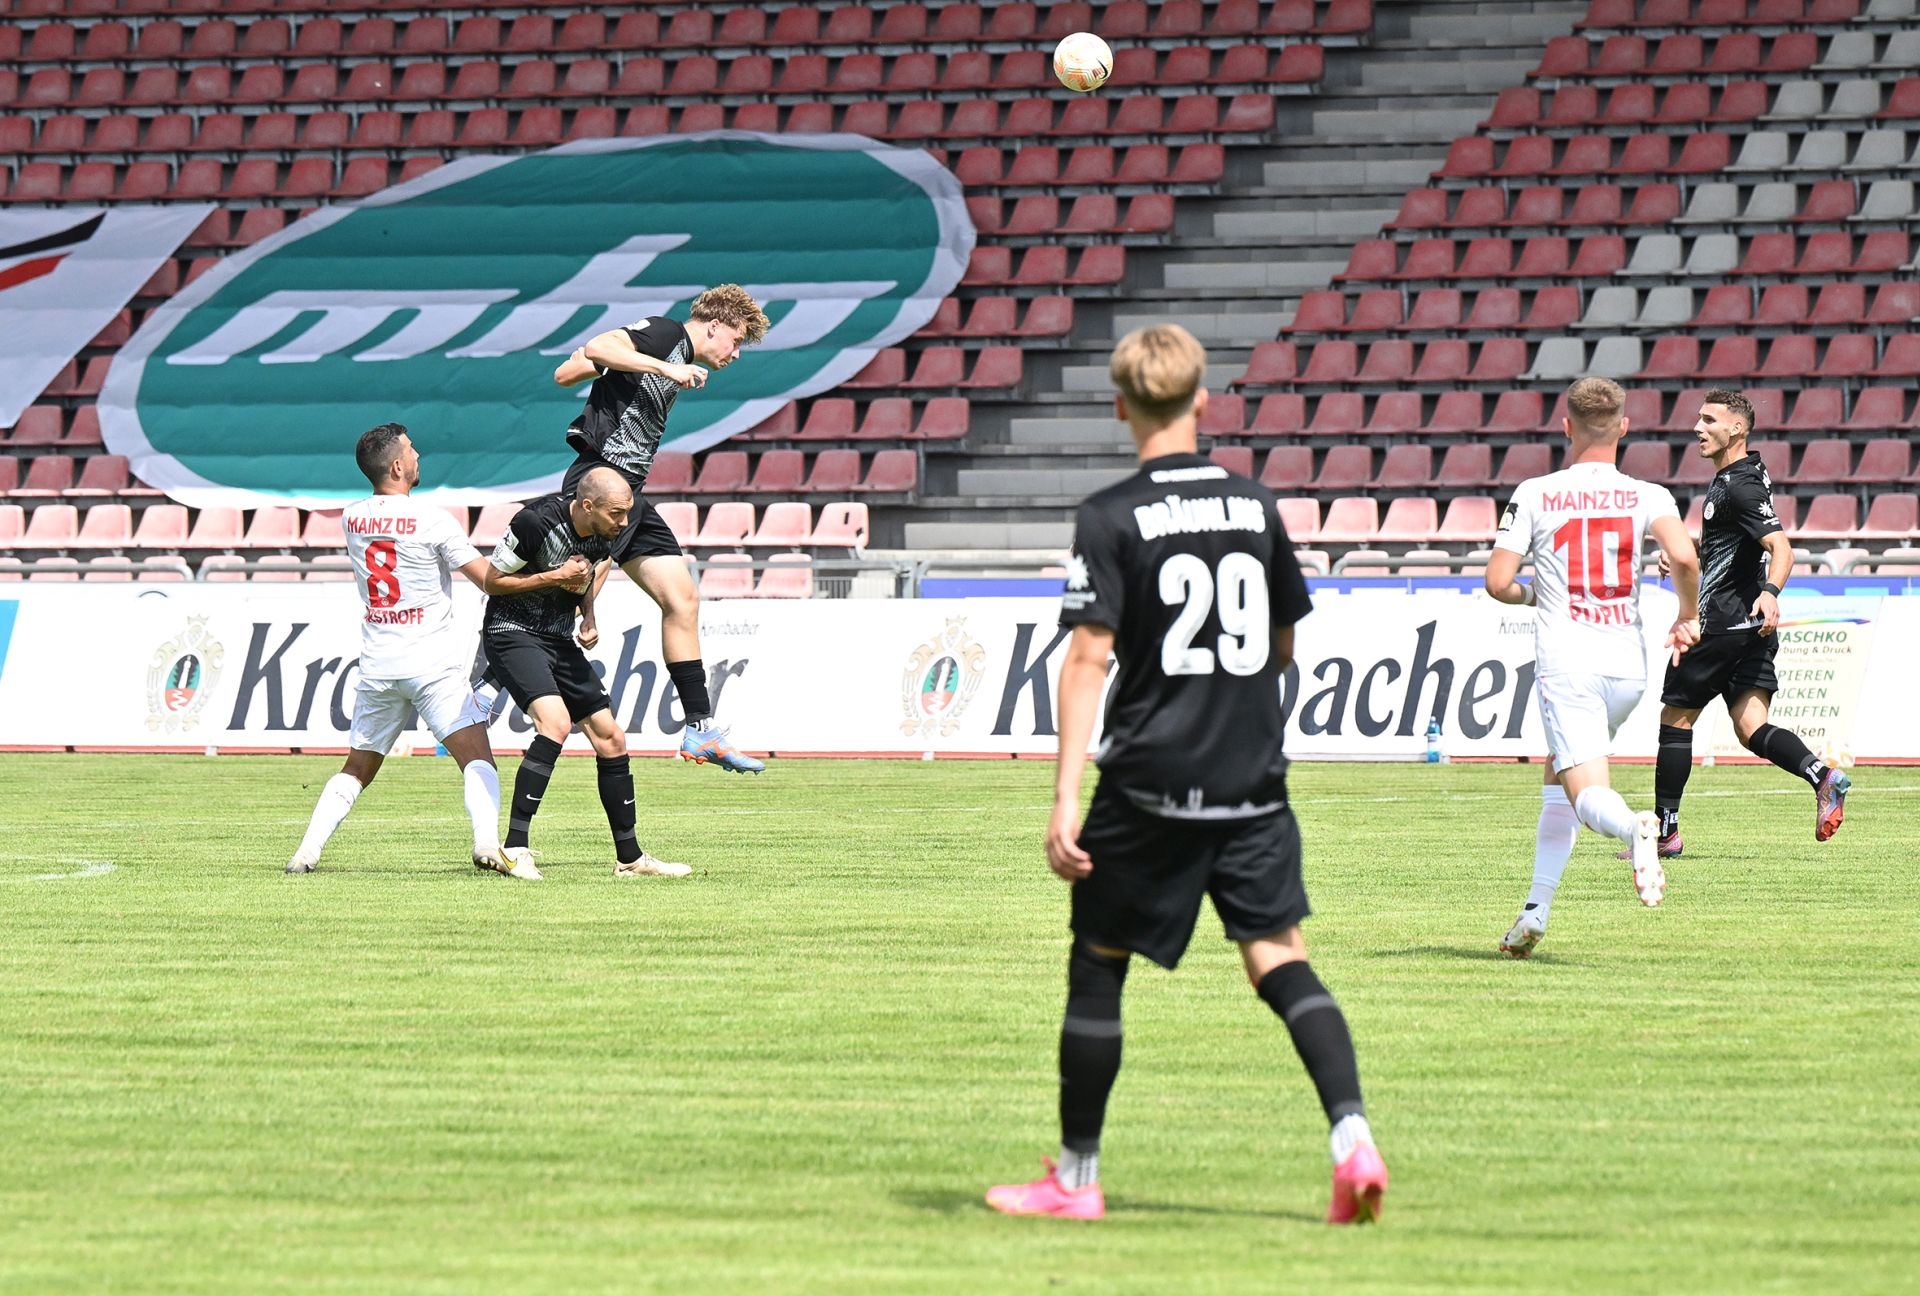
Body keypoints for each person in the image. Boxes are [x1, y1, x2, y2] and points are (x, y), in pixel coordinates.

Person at [984, 325, 1389, 1226]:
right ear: (1204, 400)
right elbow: (1283, 644)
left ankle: (1077, 1181)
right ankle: (1352, 1138)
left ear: (1121, 406)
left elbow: (1087, 659)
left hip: (1149, 780)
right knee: (1279, 960)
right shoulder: (1254, 504)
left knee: (1099, 961)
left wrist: (1064, 797)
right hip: (1251, 777)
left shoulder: (1110, 514)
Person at [288, 423, 582, 880]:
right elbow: (489, 580)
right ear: (397, 466)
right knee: (477, 758)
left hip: (378, 663)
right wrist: (553, 577)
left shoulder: (352, 518)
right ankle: (486, 844)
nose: (418, 454)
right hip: (430, 664)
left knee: (357, 768)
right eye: (411, 450)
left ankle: (305, 853)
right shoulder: (433, 520)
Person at [1484, 377, 1702, 959]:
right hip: (1627, 669)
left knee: (1586, 794)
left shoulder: (1536, 492)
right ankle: (1535, 909)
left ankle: (1635, 828)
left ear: (1566, 426)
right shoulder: (1649, 494)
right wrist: (1687, 615)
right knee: (1558, 774)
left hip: (1569, 664)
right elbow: (1684, 556)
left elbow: (1498, 582)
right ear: (1623, 427)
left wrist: (1534, 595)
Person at [551, 284, 772, 775]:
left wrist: (599, 365)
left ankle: (700, 728)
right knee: (554, 603)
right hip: (601, 482)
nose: (736, 353)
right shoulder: (666, 334)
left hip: (630, 492)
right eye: (736, 340)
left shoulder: (668, 351)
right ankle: (481, 696)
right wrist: (663, 368)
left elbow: (569, 371)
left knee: (682, 599)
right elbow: (599, 346)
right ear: (713, 325)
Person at [1647, 389, 1850, 854]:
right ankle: (1822, 776)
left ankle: (1666, 834)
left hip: (1719, 623)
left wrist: (1771, 591)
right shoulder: (1742, 475)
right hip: (1751, 630)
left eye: (1708, 420)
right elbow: (1735, 546)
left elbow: (1782, 549)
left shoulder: (1739, 485)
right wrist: (1687, 554)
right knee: (1751, 727)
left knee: (1675, 719)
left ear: (1736, 428)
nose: (1697, 428)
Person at [479, 466, 692, 879]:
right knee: (555, 724)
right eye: (616, 513)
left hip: (558, 638)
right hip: (511, 632)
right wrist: (553, 576)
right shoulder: (533, 522)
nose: (624, 522)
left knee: (611, 738)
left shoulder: (603, 533)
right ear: (588, 505)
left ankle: (630, 859)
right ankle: (514, 849)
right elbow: (492, 581)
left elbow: (589, 573)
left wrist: (588, 615)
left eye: (626, 512)